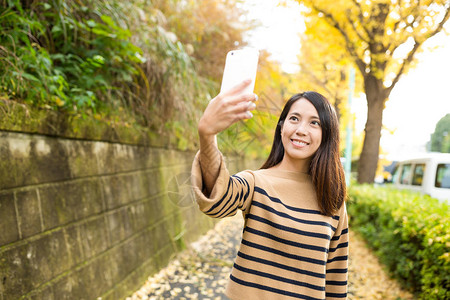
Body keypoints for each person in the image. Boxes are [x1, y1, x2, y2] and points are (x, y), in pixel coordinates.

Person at [191, 80, 348, 299]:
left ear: (327, 135)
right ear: (282, 127)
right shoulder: (256, 183)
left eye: (315, 123)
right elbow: (216, 203)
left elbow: (336, 279)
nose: (301, 130)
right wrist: (207, 135)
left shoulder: (333, 199)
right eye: (294, 119)